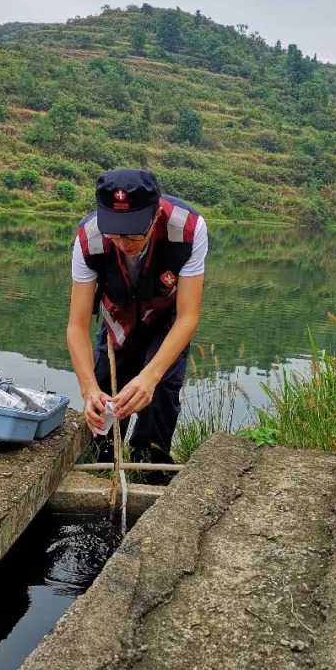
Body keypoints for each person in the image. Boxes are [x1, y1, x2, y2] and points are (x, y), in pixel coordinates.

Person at [66, 168, 207, 469]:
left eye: (134, 234)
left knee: (159, 393)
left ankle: (149, 465)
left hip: (167, 321)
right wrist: (88, 388)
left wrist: (150, 376)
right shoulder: (88, 238)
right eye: (114, 233)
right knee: (104, 396)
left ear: (155, 215)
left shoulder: (188, 228)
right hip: (118, 321)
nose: (124, 243)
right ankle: (100, 465)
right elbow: (76, 327)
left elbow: (188, 316)